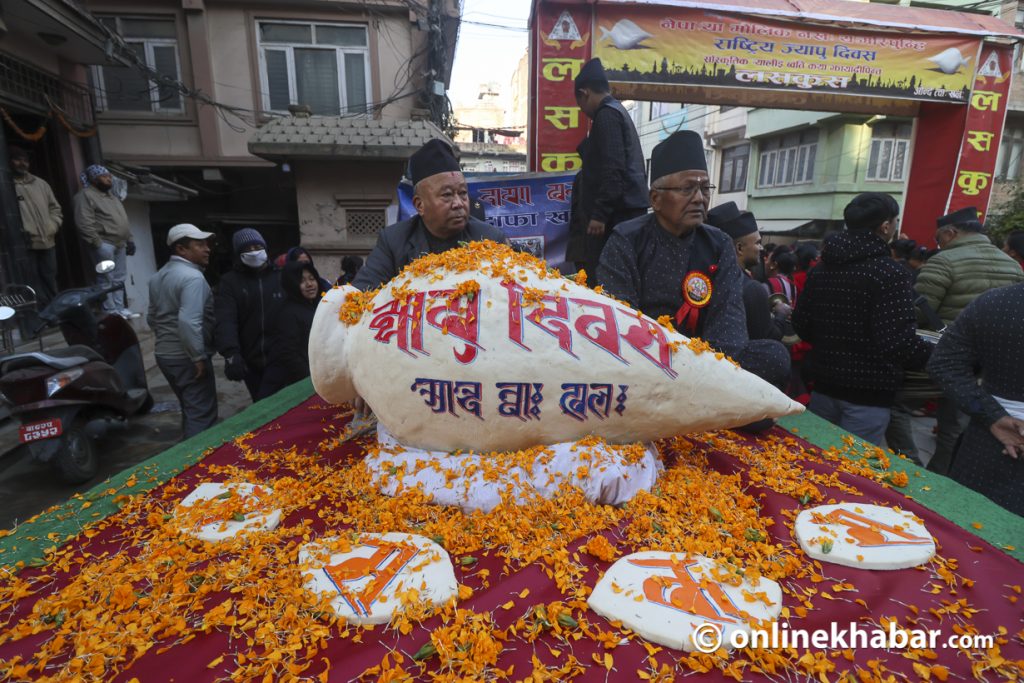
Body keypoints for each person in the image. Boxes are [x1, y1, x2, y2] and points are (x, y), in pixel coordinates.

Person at [598, 130, 791, 396]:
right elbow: (620, 323)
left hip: (706, 361)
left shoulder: (718, 242)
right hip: (644, 359)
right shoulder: (627, 239)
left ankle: (697, 395)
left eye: (704, 188)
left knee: (775, 355)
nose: (700, 198)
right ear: (655, 199)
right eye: (687, 188)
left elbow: (728, 330)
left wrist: (702, 361)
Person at [791, 192, 932, 446]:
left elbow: (802, 325)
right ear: (886, 226)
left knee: (816, 465)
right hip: (868, 396)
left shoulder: (821, 270)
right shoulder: (890, 273)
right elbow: (897, 342)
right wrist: (937, 355)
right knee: (851, 476)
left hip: (823, 386)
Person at [913, 206, 1024, 474]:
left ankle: (930, 476)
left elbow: (916, 314)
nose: (937, 245)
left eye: (939, 239)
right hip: (997, 371)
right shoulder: (1010, 263)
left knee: (937, 419)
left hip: (951, 359)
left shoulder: (942, 262)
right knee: (957, 426)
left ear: (950, 233)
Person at [352, 139, 507, 291]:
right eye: (447, 195)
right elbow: (361, 294)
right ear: (420, 205)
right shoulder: (394, 242)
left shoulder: (490, 239)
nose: (458, 203)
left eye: (463, 193)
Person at [927, 283, 1024, 516]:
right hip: (991, 445)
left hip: (990, 442)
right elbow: (945, 364)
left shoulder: (995, 301)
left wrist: (990, 415)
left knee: (967, 535)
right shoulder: (998, 303)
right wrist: (992, 416)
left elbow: (944, 364)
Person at [570, 58, 649, 285]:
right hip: (624, 213)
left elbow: (613, 169)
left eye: (580, 104)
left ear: (584, 93)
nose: (583, 112)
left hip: (618, 216)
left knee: (608, 278)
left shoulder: (606, 116)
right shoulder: (618, 111)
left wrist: (599, 215)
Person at [147, 224, 218, 439]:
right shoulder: (193, 278)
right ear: (181, 249)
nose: (207, 249)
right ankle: (198, 464)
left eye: (207, 244)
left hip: (165, 354)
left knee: (191, 407)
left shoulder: (157, 277)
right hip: (186, 356)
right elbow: (188, 321)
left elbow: (152, 318)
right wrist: (197, 356)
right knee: (202, 415)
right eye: (199, 245)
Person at [214, 227, 285, 401]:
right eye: (247, 249)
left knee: (282, 404)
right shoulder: (230, 282)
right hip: (250, 360)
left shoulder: (281, 277)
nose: (253, 252)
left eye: (257, 247)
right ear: (239, 254)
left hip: (282, 357)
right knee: (261, 403)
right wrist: (231, 353)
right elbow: (226, 320)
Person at [706, 201, 788, 342]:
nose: (761, 248)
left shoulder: (707, 278)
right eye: (757, 243)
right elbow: (768, 338)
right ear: (739, 248)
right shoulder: (752, 289)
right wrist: (781, 314)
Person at [73, 164, 135, 317]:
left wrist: (130, 240)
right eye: (105, 176)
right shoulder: (85, 195)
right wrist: (97, 243)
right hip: (104, 243)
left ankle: (120, 308)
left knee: (119, 278)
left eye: (109, 175)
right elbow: (83, 222)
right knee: (106, 278)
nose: (109, 179)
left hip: (120, 243)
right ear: (94, 179)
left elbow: (123, 221)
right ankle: (110, 309)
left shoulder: (112, 197)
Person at [259, 261, 322, 397]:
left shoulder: (317, 305)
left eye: (312, 279)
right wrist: (311, 380)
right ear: (292, 284)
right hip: (301, 384)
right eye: (302, 281)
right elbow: (289, 354)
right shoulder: (288, 313)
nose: (309, 284)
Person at [10, 146, 62, 306]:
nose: (22, 163)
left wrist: (52, 226)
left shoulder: (41, 184)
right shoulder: (7, 184)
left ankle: (57, 311)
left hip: (47, 240)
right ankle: (41, 314)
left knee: (50, 278)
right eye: (18, 159)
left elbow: (55, 209)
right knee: (31, 281)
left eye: (25, 160)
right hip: (26, 243)